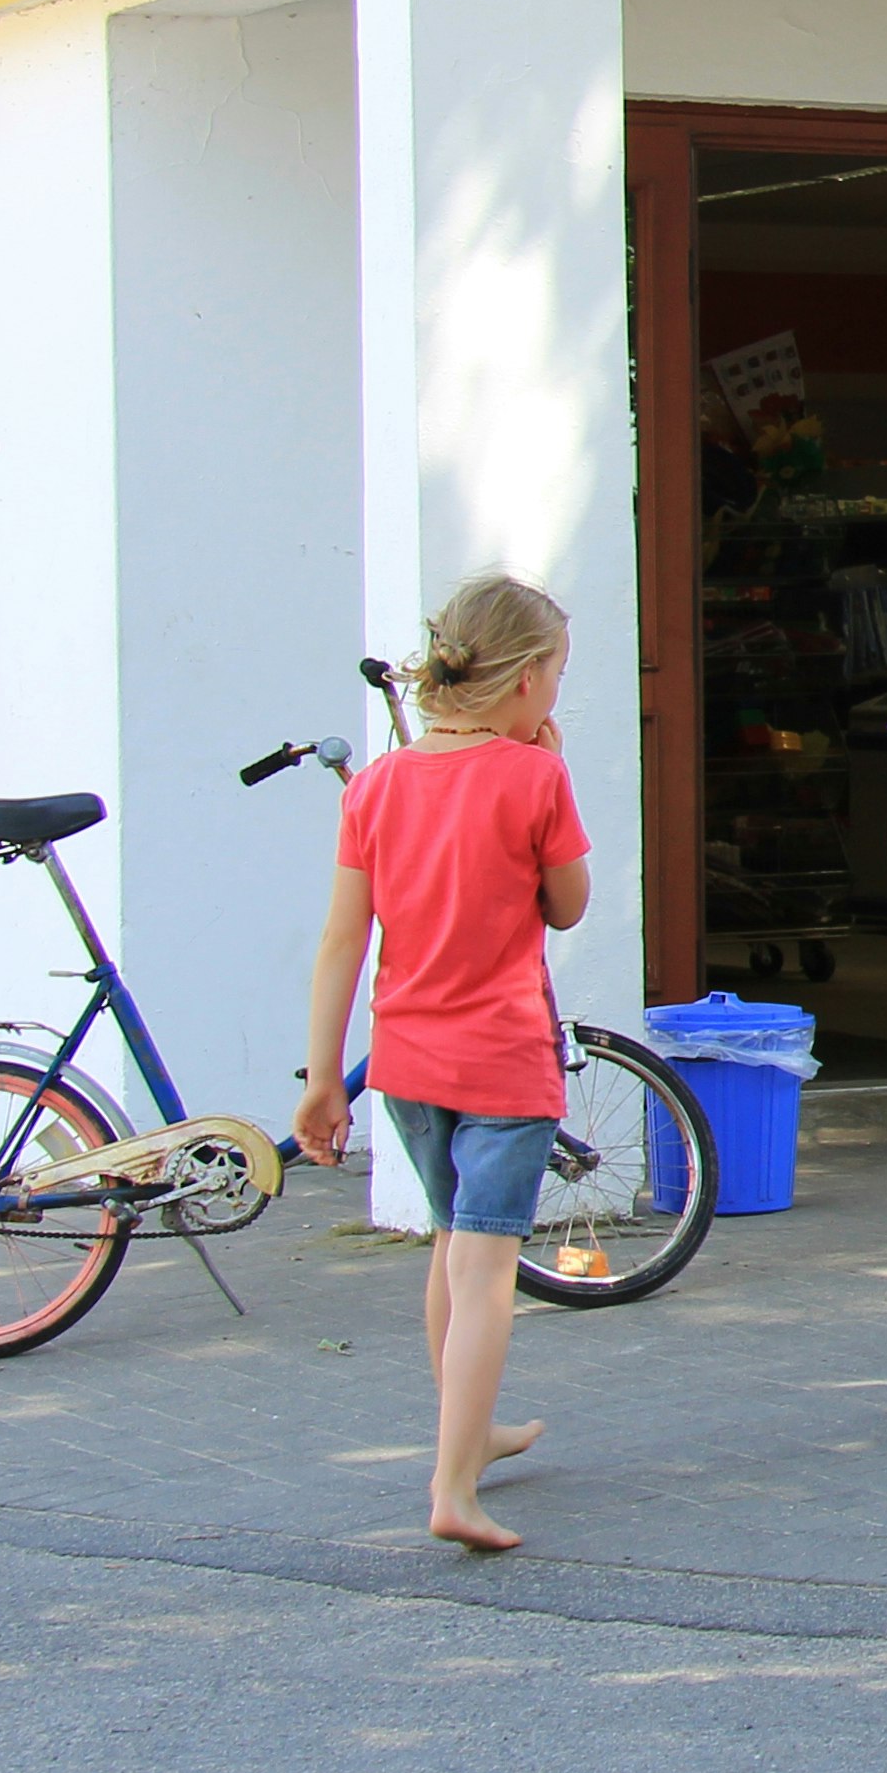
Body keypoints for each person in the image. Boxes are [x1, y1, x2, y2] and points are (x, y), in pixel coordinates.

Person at [292, 574, 590, 1554]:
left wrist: (322, 1078)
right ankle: (455, 1484)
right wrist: (551, 772)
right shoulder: (535, 778)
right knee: (487, 1269)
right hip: (502, 1060)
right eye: (554, 673)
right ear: (519, 682)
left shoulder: (376, 786)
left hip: (408, 1061)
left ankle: (473, 1430)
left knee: (450, 1246)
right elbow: (568, 904)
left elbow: (342, 941)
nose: (556, 691)